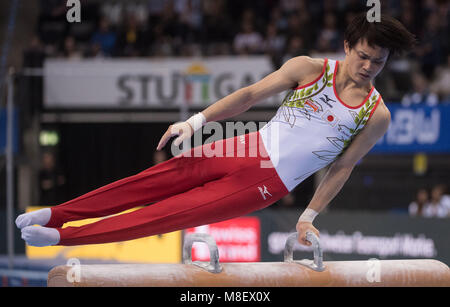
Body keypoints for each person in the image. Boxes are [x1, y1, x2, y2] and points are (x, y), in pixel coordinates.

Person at [16, 13, 416, 247]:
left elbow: (342, 168)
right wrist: (195, 122)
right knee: (151, 181)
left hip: (267, 182)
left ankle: (64, 239)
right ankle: (57, 214)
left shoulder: (375, 114)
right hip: (244, 146)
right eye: (363, 56)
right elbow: (248, 95)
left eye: (377, 63)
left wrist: (308, 216)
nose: (367, 67)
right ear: (348, 46)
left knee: (165, 214)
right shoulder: (310, 69)